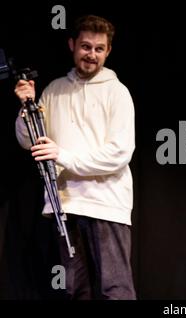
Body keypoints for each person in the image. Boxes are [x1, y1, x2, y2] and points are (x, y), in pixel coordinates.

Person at [14, 15, 136, 300]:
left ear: (108, 51)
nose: (91, 55)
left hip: (106, 205)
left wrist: (64, 156)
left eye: (99, 48)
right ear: (72, 45)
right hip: (65, 205)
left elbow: (119, 153)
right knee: (72, 291)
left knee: (115, 291)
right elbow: (28, 140)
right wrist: (27, 105)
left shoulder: (117, 92)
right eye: (85, 46)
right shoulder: (54, 90)